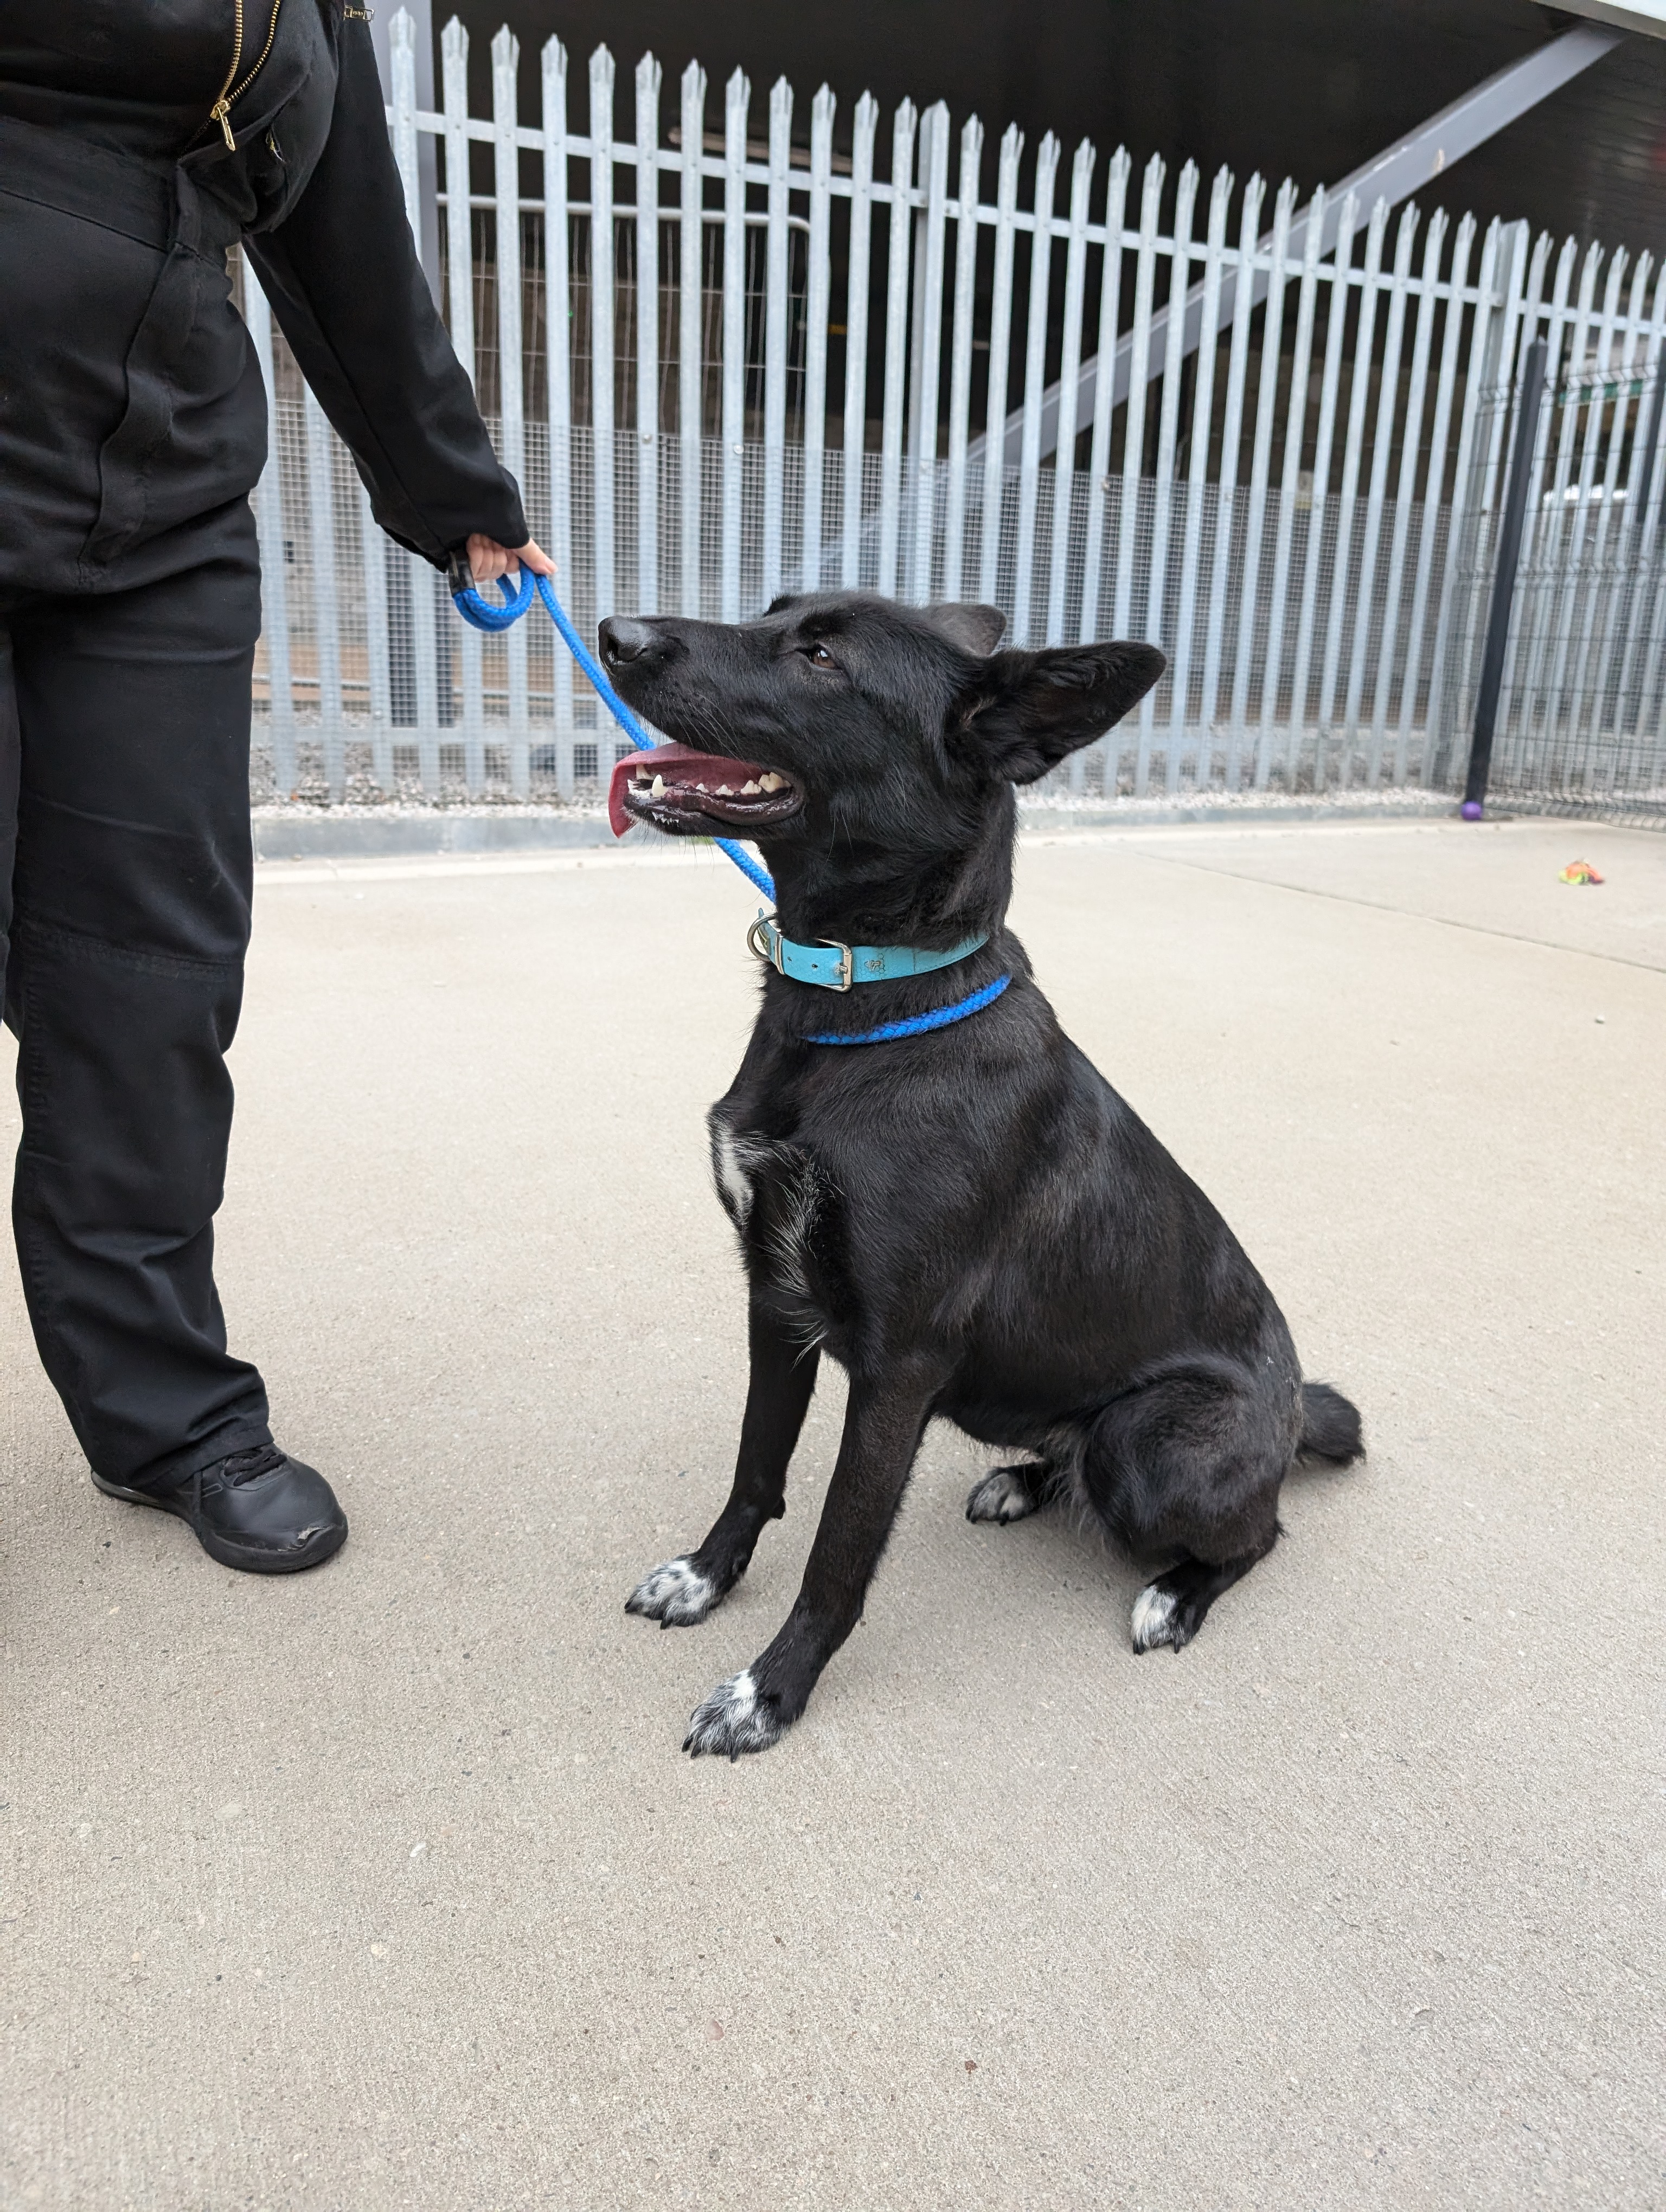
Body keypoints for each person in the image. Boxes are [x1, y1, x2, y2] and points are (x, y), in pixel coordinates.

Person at [0, 1, 550, 1572]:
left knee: (148, 985)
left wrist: (454, 497)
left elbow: (343, 229)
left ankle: (164, 1412)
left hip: (157, 511)